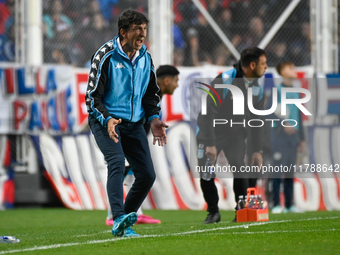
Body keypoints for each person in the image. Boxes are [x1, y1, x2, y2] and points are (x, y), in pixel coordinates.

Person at [86, 10, 168, 237]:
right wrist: (108, 118)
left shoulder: (146, 58)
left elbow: (151, 94)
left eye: (144, 29)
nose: (142, 34)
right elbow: (92, 97)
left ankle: (125, 218)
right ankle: (119, 216)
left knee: (147, 175)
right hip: (106, 122)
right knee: (117, 163)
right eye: (137, 29)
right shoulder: (105, 55)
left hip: (133, 124)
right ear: (123, 32)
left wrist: (153, 119)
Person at [196, 47, 268, 223]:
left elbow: (258, 121)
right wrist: (210, 143)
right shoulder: (225, 80)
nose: (266, 67)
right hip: (209, 132)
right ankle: (213, 211)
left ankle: (241, 211)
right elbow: (208, 113)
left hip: (235, 134)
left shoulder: (257, 88)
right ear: (252, 65)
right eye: (264, 64)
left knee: (239, 167)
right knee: (206, 172)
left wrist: (258, 150)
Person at [105, 65, 180, 226]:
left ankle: (134, 212)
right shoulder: (147, 89)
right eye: (176, 81)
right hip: (116, 131)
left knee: (134, 171)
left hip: (130, 136)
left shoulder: (155, 94)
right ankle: (112, 215)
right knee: (121, 169)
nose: (177, 85)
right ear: (166, 80)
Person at [271, 62, 305, 214]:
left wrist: (301, 138)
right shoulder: (277, 90)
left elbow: (299, 115)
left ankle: (290, 204)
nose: (294, 70)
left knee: (290, 172)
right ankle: (277, 204)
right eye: (291, 68)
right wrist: (284, 124)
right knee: (278, 171)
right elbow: (271, 111)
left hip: (293, 139)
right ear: (282, 71)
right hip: (280, 138)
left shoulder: (297, 92)